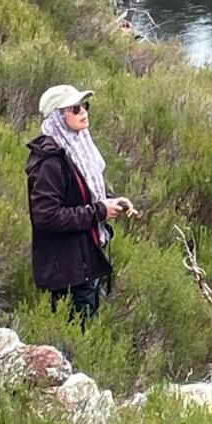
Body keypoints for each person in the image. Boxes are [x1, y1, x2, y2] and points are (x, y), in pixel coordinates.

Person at [26, 83, 137, 325]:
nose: (83, 113)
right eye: (74, 109)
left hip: (84, 259)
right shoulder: (50, 162)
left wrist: (111, 201)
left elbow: (84, 193)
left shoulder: (77, 148)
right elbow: (46, 216)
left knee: (84, 327)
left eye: (84, 106)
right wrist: (99, 211)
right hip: (68, 270)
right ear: (58, 116)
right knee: (76, 335)